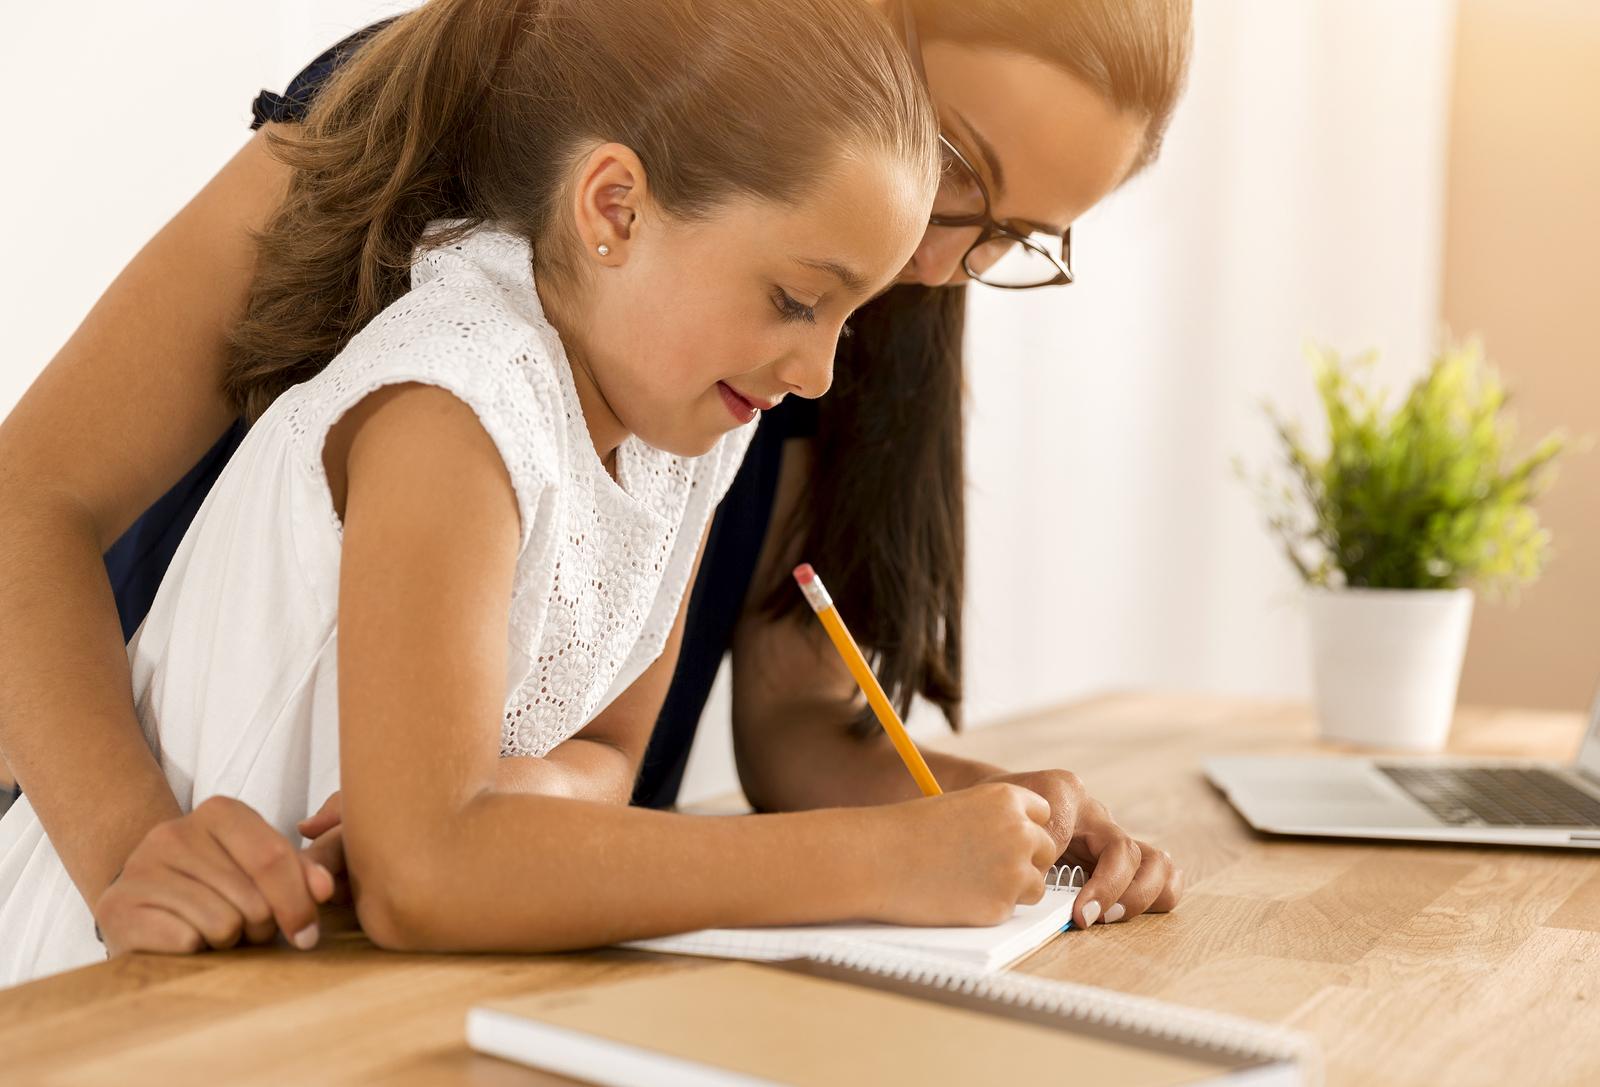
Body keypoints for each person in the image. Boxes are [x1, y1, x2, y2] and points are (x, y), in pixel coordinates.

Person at [0, 0, 1191, 962]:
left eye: (1007, 238)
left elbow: (759, 726)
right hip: (144, 894)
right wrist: (131, 847)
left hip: (434, 953)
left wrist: (993, 817)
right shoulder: (463, 369)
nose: (936, 263)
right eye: (950, 170)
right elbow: (27, 499)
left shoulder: (798, 333)